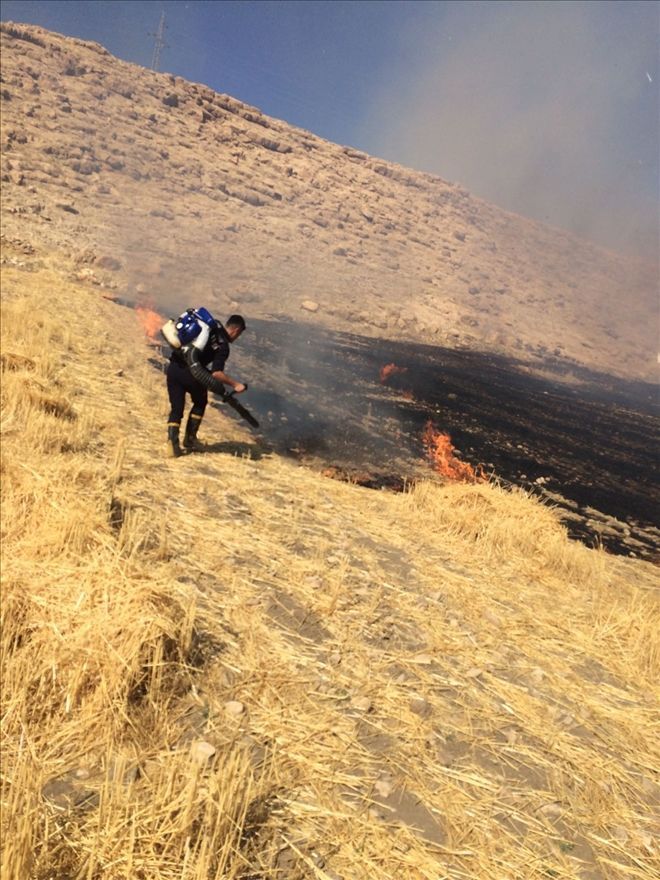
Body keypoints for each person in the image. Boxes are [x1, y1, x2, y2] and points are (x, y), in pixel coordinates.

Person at [166, 312, 247, 457]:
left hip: (173, 369)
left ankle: (172, 443)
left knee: (176, 408)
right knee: (200, 402)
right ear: (236, 331)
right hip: (192, 373)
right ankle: (190, 440)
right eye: (239, 334)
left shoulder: (208, 327)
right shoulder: (223, 345)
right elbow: (217, 374)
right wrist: (235, 384)